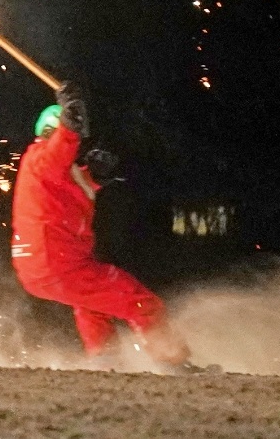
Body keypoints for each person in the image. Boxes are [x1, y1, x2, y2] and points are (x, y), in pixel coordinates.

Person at [10, 83, 195, 369]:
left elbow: (69, 191)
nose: (81, 152)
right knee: (141, 302)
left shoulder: (45, 170)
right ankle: (173, 361)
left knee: (92, 304)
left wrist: (95, 176)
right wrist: (70, 121)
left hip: (39, 267)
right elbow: (60, 148)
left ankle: (105, 361)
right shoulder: (44, 155)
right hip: (59, 264)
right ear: (51, 131)